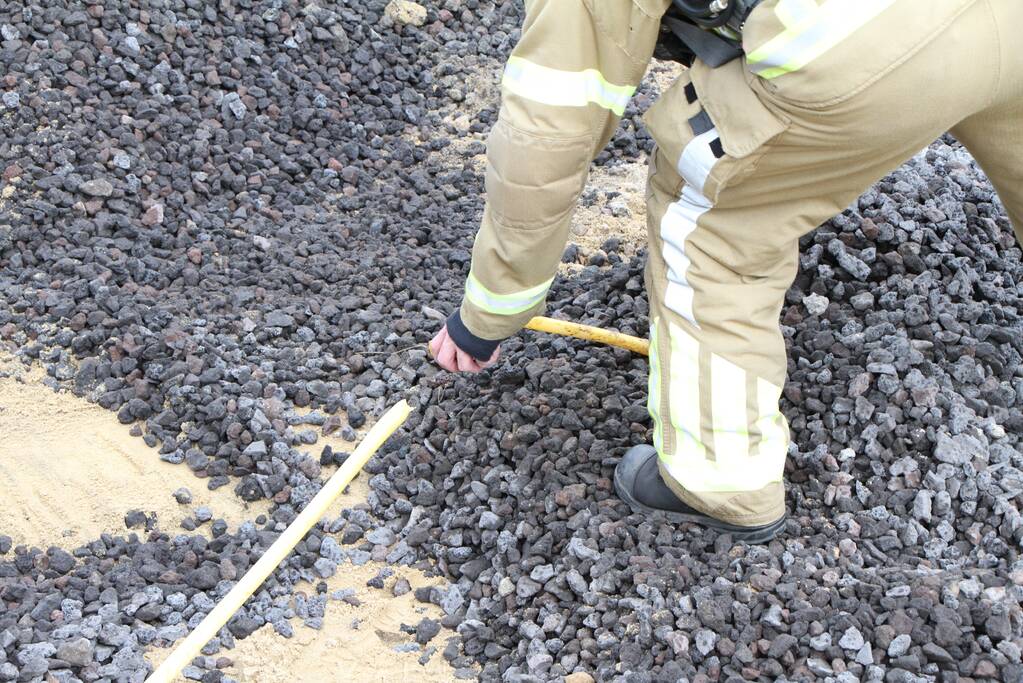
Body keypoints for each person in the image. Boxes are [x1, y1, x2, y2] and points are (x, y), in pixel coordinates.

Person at [429, 0, 1022, 542]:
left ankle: (718, 478)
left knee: (710, 214)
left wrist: (491, 310)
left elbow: (546, 135)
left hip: (870, 38)